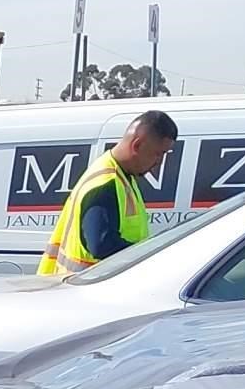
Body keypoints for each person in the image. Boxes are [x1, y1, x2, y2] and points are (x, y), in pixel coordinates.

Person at [38, 110, 177, 277]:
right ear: (137, 145)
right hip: (88, 291)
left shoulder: (122, 177)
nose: (160, 162)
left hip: (90, 290)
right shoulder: (105, 184)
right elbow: (101, 245)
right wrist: (152, 254)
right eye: (158, 153)